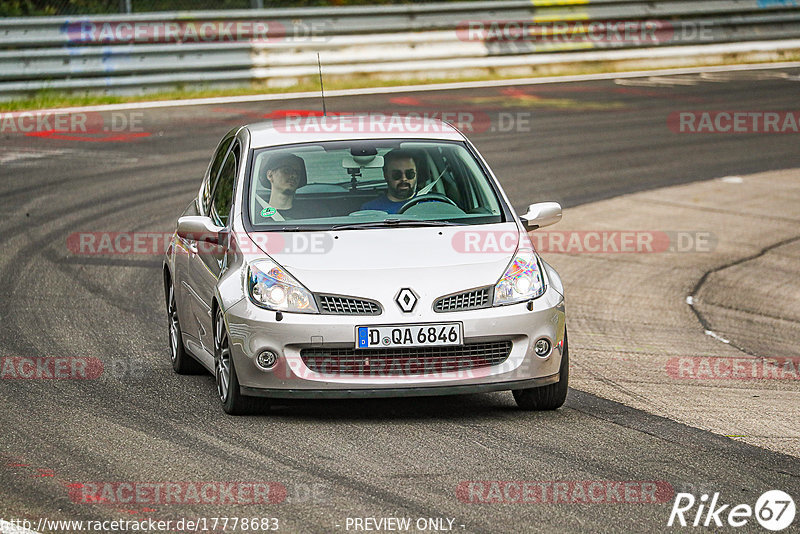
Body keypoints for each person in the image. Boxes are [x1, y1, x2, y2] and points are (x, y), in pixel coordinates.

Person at [258, 153, 320, 221]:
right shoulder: (253, 216)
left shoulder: (310, 215)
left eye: (297, 172)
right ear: (270, 175)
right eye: (287, 170)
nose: (294, 175)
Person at [360, 149, 418, 214]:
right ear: (386, 175)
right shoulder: (370, 209)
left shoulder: (428, 204)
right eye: (397, 174)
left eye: (410, 174)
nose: (404, 179)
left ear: (416, 174)